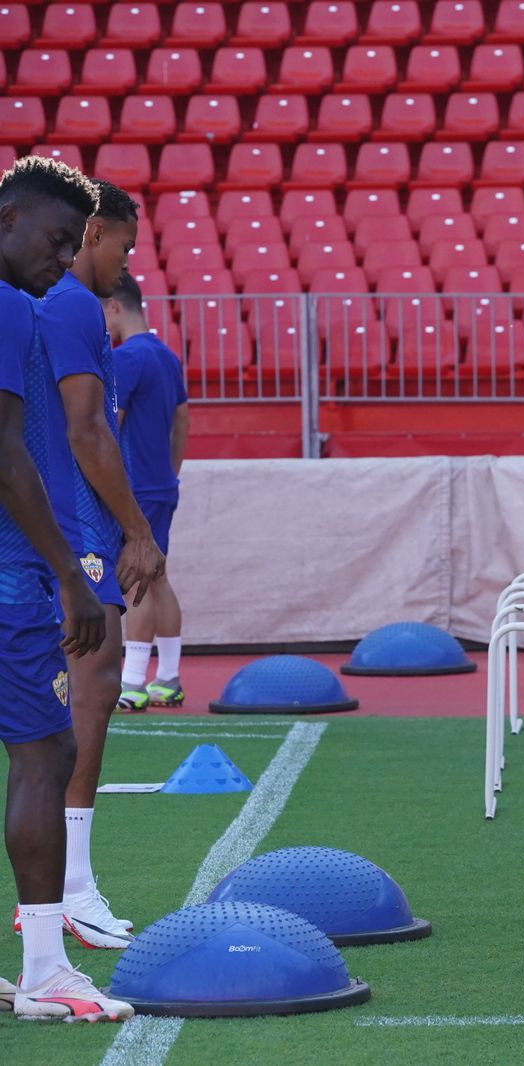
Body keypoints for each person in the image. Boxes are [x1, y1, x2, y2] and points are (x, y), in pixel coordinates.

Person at [0, 156, 130, 1022]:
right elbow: (8, 455)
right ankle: (48, 965)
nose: (62, 257)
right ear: (7, 219)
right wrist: (65, 575)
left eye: (75, 242)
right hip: (12, 579)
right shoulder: (11, 306)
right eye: (53, 238)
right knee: (44, 755)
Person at [32, 179, 164, 951]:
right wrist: (135, 530)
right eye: (121, 244)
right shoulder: (77, 306)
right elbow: (87, 431)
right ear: (92, 235)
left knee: (76, 699)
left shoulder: (56, 308)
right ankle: (71, 889)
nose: (125, 261)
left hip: (63, 521)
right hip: (73, 523)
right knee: (91, 687)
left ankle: (60, 894)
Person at [103, 272, 188, 712]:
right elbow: (183, 422)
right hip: (161, 485)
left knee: (136, 578)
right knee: (159, 578)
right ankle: (168, 678)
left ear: (115, 306)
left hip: (134, 487)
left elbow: (107, 428)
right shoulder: (167, 356)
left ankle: (133, 682)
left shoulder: (125, 358)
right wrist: (171, 473)